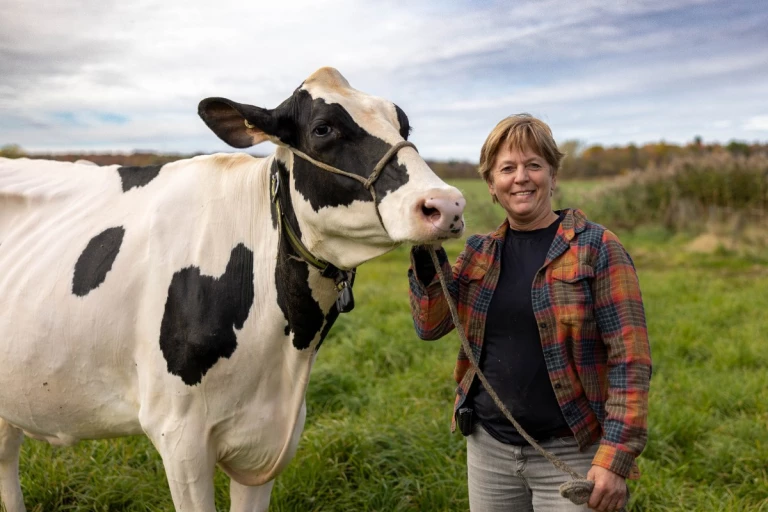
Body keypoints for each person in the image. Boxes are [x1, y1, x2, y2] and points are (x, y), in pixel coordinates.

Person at [408, 114, 651, 512]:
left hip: (572, 453)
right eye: (507, 168)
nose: (521, 177)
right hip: (489, 451)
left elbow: (631, 360)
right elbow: (430, 325)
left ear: (552, 176)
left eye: (533, 165)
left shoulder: (598, 248)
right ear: (491, 184)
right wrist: (424, 250)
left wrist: (614, 459)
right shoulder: (478, 252)